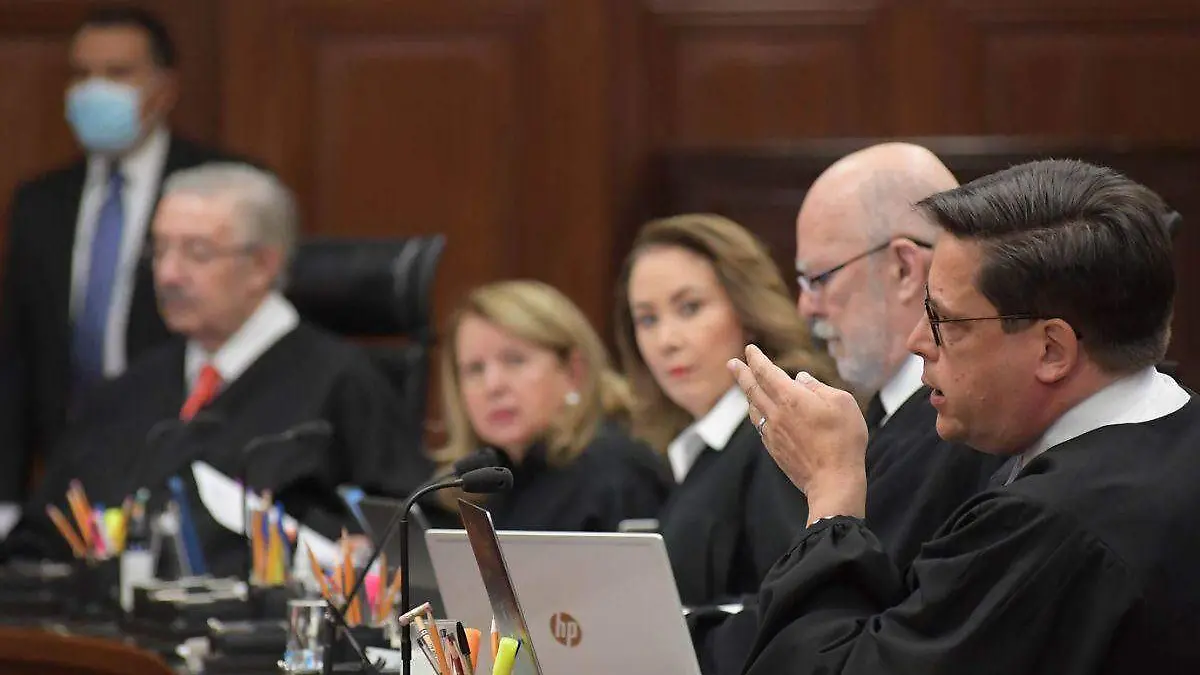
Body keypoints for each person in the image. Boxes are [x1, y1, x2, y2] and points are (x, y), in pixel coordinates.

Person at [731, 159, 1200, 674]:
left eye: (944, 321)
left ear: (1051, 350)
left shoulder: (1048, 529)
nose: (918, 341)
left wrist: (832, 491)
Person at [3, 163, 430, 577]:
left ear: (262, 265)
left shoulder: (342, 382)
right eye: (159, 249)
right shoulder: (130, 389)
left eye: (197, 252)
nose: (167, 274)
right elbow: (37, 540)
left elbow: (406, 538)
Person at [0, 7, 250, 517]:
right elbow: (18, 357)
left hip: (185, 463)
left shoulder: (223, 190)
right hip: (70, 470)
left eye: (117, 73)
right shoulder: (40, 202)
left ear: (165, 88)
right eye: (82, 74)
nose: (95, 90)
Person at [616, 214, 838, 672]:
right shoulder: (698, 449)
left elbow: (801, 606)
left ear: (747, 312)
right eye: (647, 319)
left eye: (690, 308)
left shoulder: (777, 436)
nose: (666, 340)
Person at [794, 142, 1003, 569]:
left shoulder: (959, 430)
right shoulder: (890, 413)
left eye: (820, 278)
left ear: (904, 269)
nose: (806, 307)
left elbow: (861, 596)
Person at [422, 280, 669, 531]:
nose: (493, 385)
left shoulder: (616, 473)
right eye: (475, 369)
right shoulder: (485, 485)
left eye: (514, 360)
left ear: (573, 372)